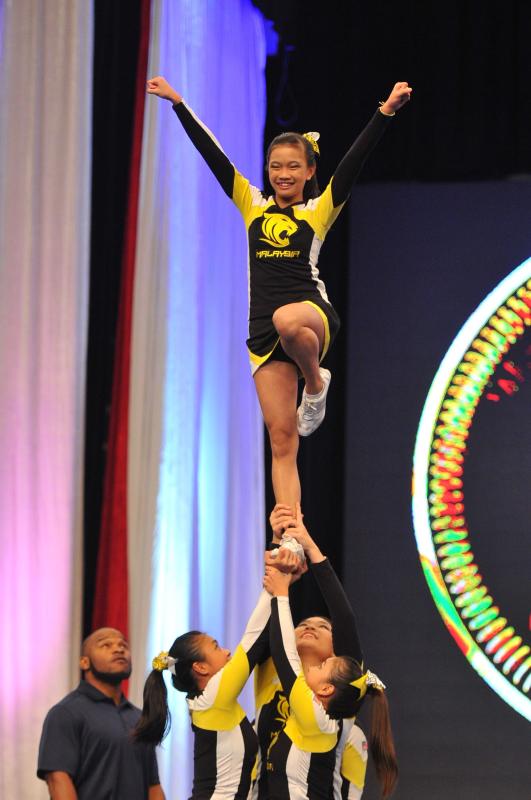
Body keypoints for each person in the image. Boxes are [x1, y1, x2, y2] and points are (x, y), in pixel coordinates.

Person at [146, 76, 412, 513]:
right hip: (263, 336)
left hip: (312, 316)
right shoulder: (253, 205)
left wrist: (385, 112)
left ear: (309, 171)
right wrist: (178, 104)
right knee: (282, 440)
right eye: (275, 166)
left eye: (293, 166)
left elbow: (353, 162)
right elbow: (214, 156)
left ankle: (314, 383)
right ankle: (290, 526)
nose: (283, 174)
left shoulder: (319, 210)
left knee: (289, 320)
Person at [255, 505, 397, 799]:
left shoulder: (338, 702)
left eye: (323, 627)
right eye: (303, 623)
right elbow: (268, 631)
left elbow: (343, 619)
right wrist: (279, 545)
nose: (310, 626)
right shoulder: (270, 667)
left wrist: (304, 552)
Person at [133, 586, 272, 799]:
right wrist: (273, 586)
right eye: (216, 647)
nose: (226, 652)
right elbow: (251, 643)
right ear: (200, 667)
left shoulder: (211, 702)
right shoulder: (213, 699)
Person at [37, 627, 164, 800]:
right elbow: (57, 780)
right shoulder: (65, 713)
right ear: (84, 662)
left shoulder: (140, 718)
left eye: (123, 645)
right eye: (106, 645)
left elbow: (153, 785)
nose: (119, 649)